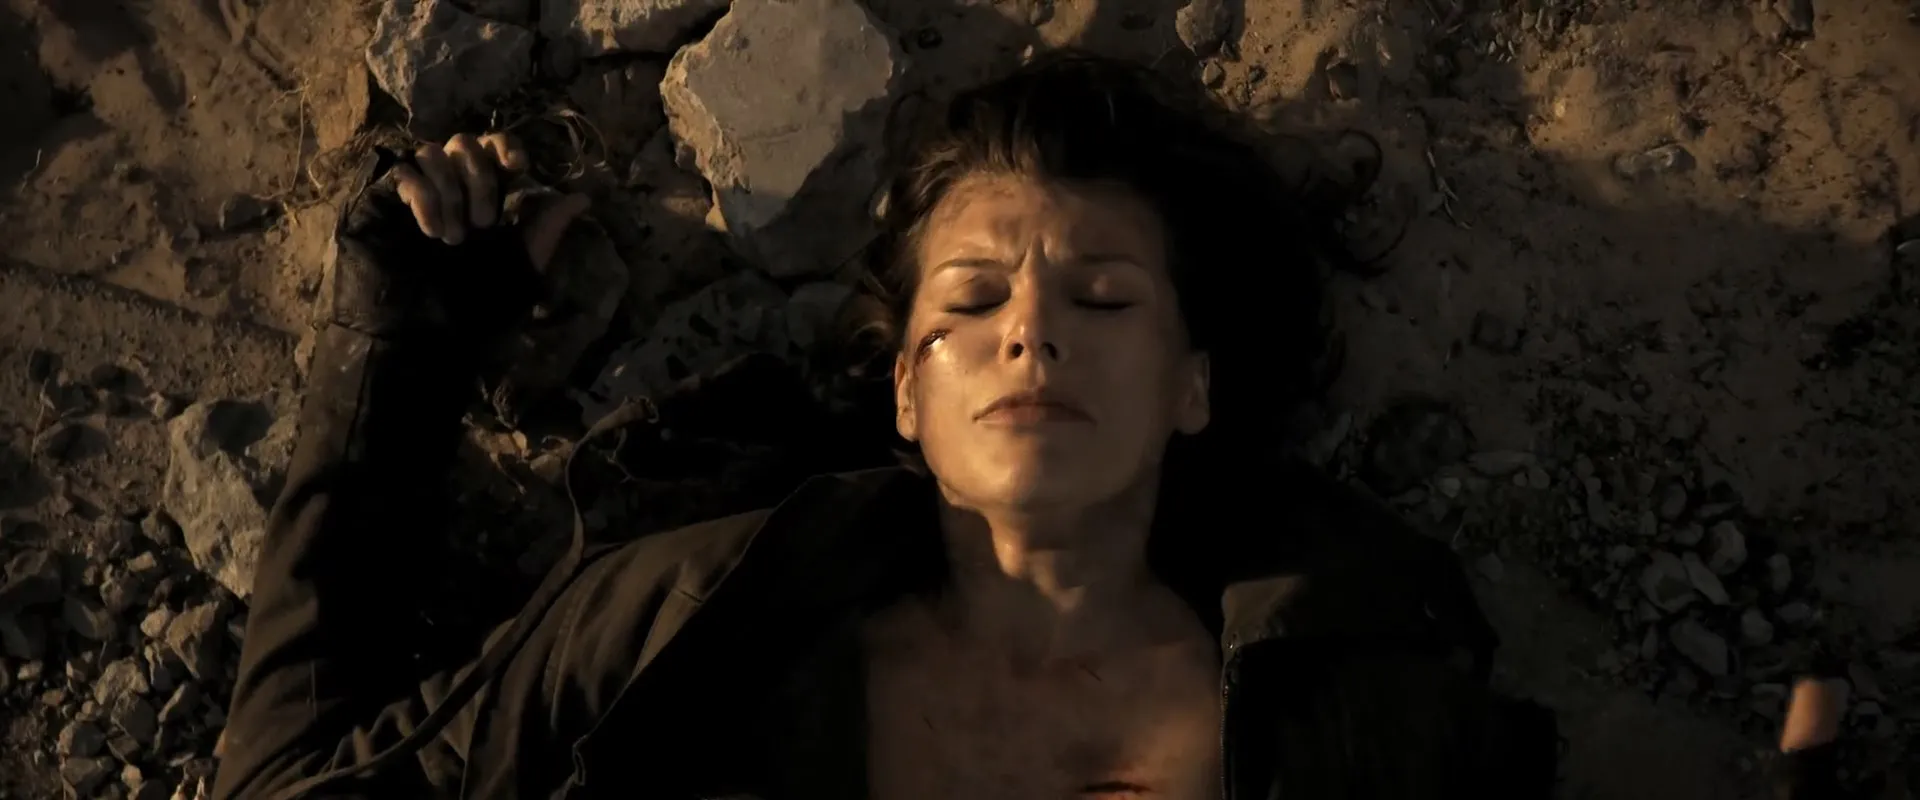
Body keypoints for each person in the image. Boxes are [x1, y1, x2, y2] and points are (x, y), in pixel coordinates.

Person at [210, 53, 1844, 799]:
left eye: (1104, 300)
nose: (1032, 331)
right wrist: (402, 347)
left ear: (1194, 386)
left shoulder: (1360, 710)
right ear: (907, 394)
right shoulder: (690, 624)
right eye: (974, 298)